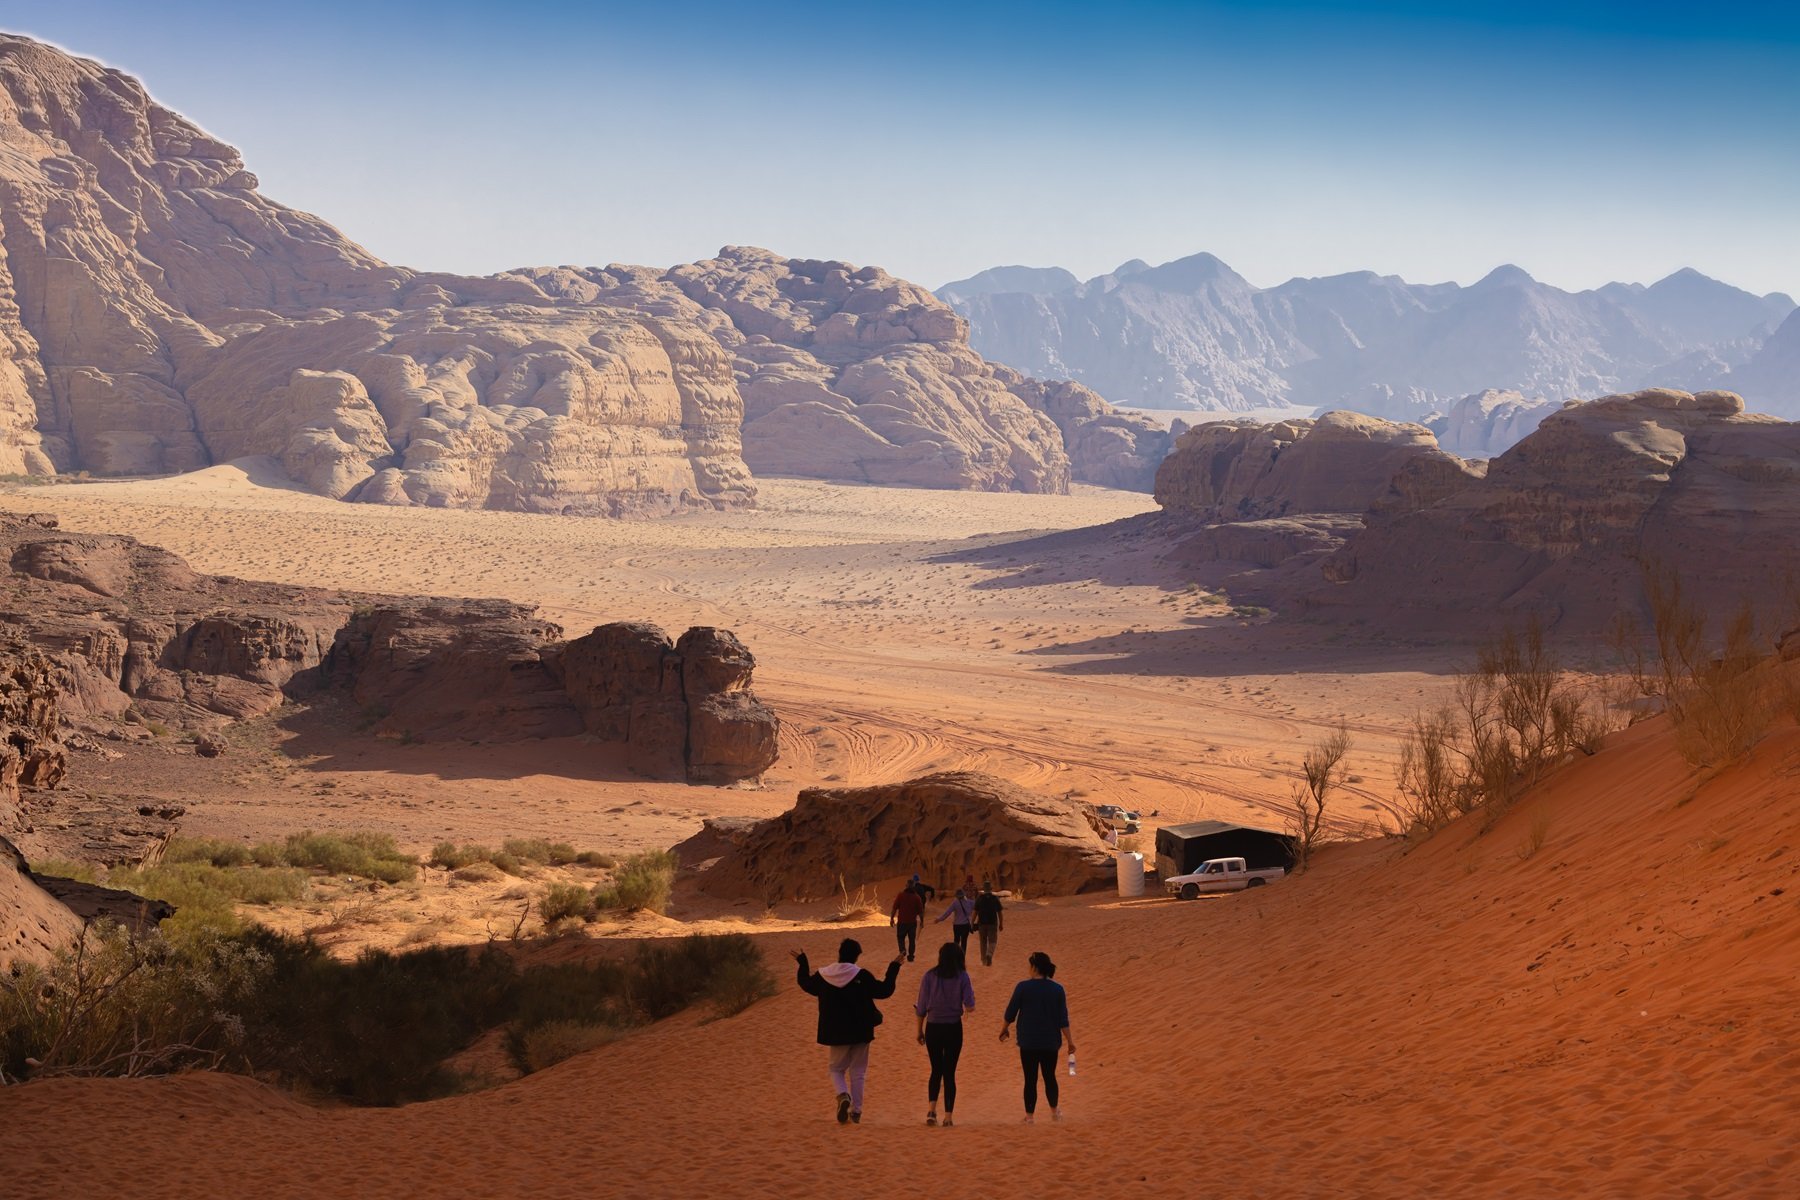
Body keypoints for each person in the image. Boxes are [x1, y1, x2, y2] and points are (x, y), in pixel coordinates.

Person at [792, 938, 902, 1125]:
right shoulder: (862, 976)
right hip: (861, 1031)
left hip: (835, 1032)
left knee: (836, 1069)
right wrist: (894, 967)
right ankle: (856, 1111)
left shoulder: (824, 976)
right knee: (858, 1071)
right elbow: (884, 990)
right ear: (856, 956)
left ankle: (843, 1096)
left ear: (840, 953)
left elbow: (805, 983)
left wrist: (803, 962)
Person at [999, 950, 1074, 1124]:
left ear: (1034, 967)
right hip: (1050, 1041)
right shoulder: (1057, 989)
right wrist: (1070, 1042)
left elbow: (1011, 1012)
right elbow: (1063, 1019)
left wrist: (1004, 1029)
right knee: (1050, 1076)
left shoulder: (1023, 987)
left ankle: (1030, 1117)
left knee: (1030, 1079)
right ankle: (1054, 1112)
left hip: (1028, 1041)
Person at [914, 942, 975, 1127]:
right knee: (949, 1072)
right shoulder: (962, 976)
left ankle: (931, 1110)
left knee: (936, 1070)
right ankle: (948, 1117)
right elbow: (970, 1006)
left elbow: (921, 1006)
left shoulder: (929, 976)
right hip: (953, 1028)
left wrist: (919, 1030)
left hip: (933, 1027)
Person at [890, 878, 925, 961]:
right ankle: (911, 956)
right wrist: (922, 921)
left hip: (902, 921)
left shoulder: (901, 895)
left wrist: (891, 918)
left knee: (900, 937)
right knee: (912, 939)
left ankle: (902, 951)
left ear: (906, 886)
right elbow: (921, 912)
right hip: (912, 923)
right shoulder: (917, 897)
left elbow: (894, 908)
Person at [972, 880, 1004, 967]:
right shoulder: (995, 899)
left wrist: (972, 923)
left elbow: (975, 912)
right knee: (993, 941)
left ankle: (983, 961)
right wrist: (1001, 924)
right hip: (992, 923)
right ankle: (989, 954)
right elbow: (999, 913)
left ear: (984, 889)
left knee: (983, 942)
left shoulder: (979, 899)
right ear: (990, 889)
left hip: (981, 924)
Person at [936, 888, 975, 954]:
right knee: (964, 942)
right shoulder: (970, 902)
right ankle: (962, 957)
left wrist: (939, 919)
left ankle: (955, 957)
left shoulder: (955, 903)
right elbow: (978, 906)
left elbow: (947, 913)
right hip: (965, 925)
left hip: (957, 925)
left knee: (956, 941)